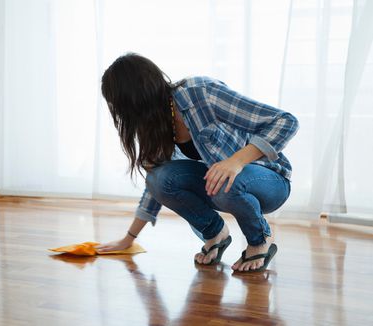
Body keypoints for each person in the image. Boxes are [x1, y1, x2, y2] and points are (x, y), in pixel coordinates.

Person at [95, 53, 299, 272]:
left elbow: (285, 122)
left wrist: (235, 161)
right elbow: (157, 188)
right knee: (159, 177)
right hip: (222, 187)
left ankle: (259, 241)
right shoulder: (154, 128)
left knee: (225, 177)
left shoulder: (199, 92)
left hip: (270, 180)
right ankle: (215, 234)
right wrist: (128, 239)